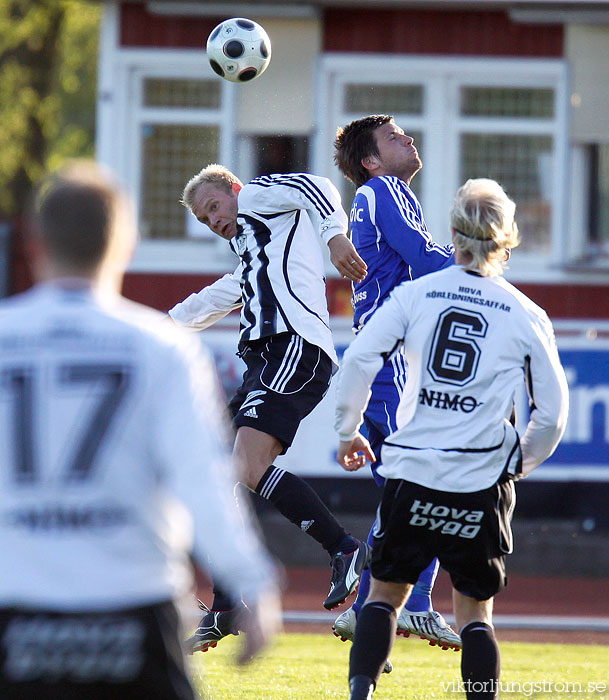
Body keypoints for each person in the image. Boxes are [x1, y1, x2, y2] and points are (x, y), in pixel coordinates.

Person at [0, 161, 281, 700]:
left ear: (35, 245)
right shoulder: (162, 347)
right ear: (123, 245)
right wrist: (253, 584)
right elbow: (203, 479)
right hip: (131, 606)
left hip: (16, 605)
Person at [334, 178, 569, 700]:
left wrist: (348, 431)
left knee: (383, 599)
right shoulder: (527, 313)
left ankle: (360, 693)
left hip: (413, 471)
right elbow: (552, 416)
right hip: (480, 479)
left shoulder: (414, 296)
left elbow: (358, 360)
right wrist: (517, 463)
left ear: (454, 233)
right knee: (475, 614)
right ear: (507, 237)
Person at [169, 165, 370, 652]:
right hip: (265, 359)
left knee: (242, 465)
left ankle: (344, 548)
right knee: (223, 474)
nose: (213, 220)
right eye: (204, 218)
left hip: (292, 346)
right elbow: (214, 299)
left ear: (234, 189)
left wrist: (335, 236)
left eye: (214, 206)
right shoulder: (251, 249)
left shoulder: (260, 196)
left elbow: (315, 186)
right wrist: (154, 329)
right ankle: (224, 604)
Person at [332, 114, 460, 655]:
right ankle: (388, 603)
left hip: (384, 355)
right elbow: (426, 260)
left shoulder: (376, 194)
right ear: (371, 161)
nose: (407, 139)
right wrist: (485, 264)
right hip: (387, 361)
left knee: (418, 487)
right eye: (393, 137)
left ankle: (379, 609)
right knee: (421, 486)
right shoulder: (386, 189)